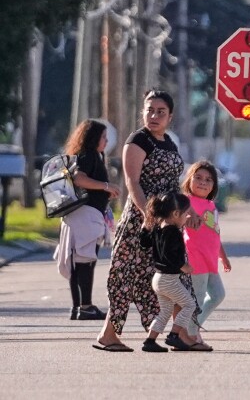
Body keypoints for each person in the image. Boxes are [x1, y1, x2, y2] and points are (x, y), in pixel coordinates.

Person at [94, 89, 195, 352]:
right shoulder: (138, 140)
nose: (154, 116)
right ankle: (109, 334)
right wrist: (148, 217)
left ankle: (182, 333)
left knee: (171, 277)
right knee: (126, 278)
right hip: (141, 223)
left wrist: (187, 210)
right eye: (149, 110)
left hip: (167, 223)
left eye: (160, 112)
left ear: (170, 116)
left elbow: (173, 184)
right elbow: (133, 182)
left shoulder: (169, 143)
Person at [54, 119, 121, 320]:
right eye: (103, 137)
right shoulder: (89, 155)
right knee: (85, 262)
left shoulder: (83, 155)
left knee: (78, 263)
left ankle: (78, 308)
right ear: (93, 138)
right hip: (86, 216)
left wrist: (103, 190)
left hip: (78, 215)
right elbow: (79, 179)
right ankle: (86, 306)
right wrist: (105, 186)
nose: (106, 141)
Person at [138, 192, 212, 352]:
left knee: (165, 312)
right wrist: (182, 265)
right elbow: (169, 254)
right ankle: (174, 335)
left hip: (158, 278)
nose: (187, 218)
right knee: (189, 304)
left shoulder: (158, 228)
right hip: (168, 279)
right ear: (176, 214)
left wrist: (144, 227)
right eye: (186, 214)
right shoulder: (173, 232)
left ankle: (149, 341)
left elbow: (144, 243)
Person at [180, 160, 231, 344]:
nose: (203, 182)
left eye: (208, 179)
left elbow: (215, 234)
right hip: (195, 261)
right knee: (197, 300)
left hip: (210, 261)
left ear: (214, 185)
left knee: (218, 295)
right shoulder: (186, 202)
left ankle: (191, 328)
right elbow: (179, 221)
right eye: (198, 177)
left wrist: (223, 257)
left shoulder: (210, 205)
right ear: (189, 180)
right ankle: (190, 336)